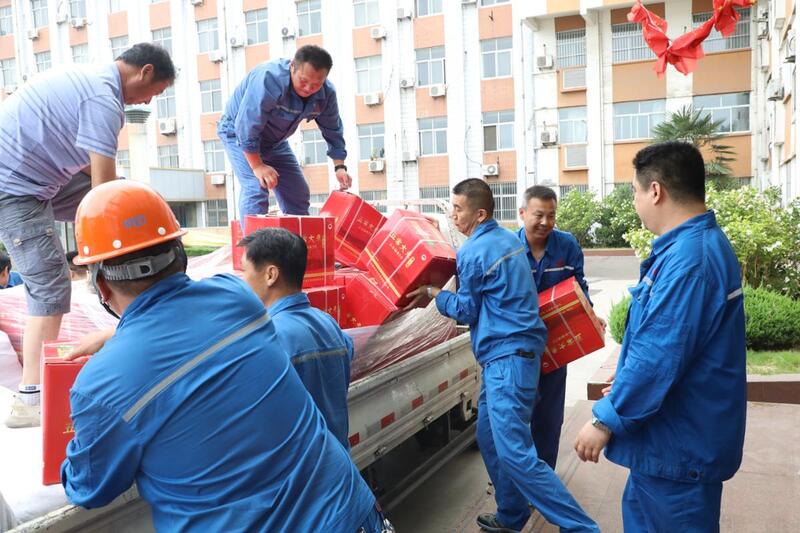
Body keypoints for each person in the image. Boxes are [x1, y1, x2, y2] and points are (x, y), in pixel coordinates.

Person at [61, 180, 390, 532]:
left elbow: (89, 488)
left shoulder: (100, 386)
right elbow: (183, 326)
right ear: (181, 256)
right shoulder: (236, 296)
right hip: (351, 515)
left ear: (101, 285)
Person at [407, 179, 598, 533]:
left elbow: (466, 310)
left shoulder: (474, 250)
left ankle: (581, 528)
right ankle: (511, 515)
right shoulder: (509, 241)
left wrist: (434, 293)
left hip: (507, 359)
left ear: (479, 214)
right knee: (489, 437)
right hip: (510, 356)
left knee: (516, 453)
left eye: (458, 208)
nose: (452, 215)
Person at [0, 43, 175, 428]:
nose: (150, 100)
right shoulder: (103, 100)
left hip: (41, 180)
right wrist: (110, 258)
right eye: (155, 92)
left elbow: (99, 179)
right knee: (50, 285)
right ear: (145, 71)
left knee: (128, 196)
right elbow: (102, 191)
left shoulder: (90, 79)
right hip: (13, 188)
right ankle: (30, 398)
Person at [574, 142, 747, 532]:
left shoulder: (691, 260)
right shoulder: (689, 249)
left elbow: (659, 356)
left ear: (655, 191)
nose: (635, 203)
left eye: (634, 192)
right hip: (667, 443)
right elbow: (667, 342)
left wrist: (604, 421)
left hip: (679, 452)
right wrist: (625, 378)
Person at [240, 228, 354, 449]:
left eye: (245, 270)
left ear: (271, 275)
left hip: (299, 465)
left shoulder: (269, 337)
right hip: (336, 456)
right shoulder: (328, 322)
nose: (242, 281)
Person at [517, 186, 605, 471]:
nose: (545, 222)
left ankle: (544, 476)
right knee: (516, 415)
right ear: (522, 213)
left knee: (549, 415)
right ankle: (516, 476)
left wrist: (589, 315)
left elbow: (579, 286)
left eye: (551, 215)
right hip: (519, 347)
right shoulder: (509, 249)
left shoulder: (566, 246)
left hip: (556, 345)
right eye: (538, 215)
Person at [218, 45, 352, 225]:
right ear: (292, 66)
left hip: (274, 141)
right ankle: (253, 243)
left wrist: (339, 167)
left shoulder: (326, 94)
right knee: (256, 187)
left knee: (298, 192)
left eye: (316, 85)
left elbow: (332, 128)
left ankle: (296, 241)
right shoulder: (268, 79)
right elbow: (247, 126)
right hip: (237, 133)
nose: (308, 88)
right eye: (303, 81)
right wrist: (257, 166)